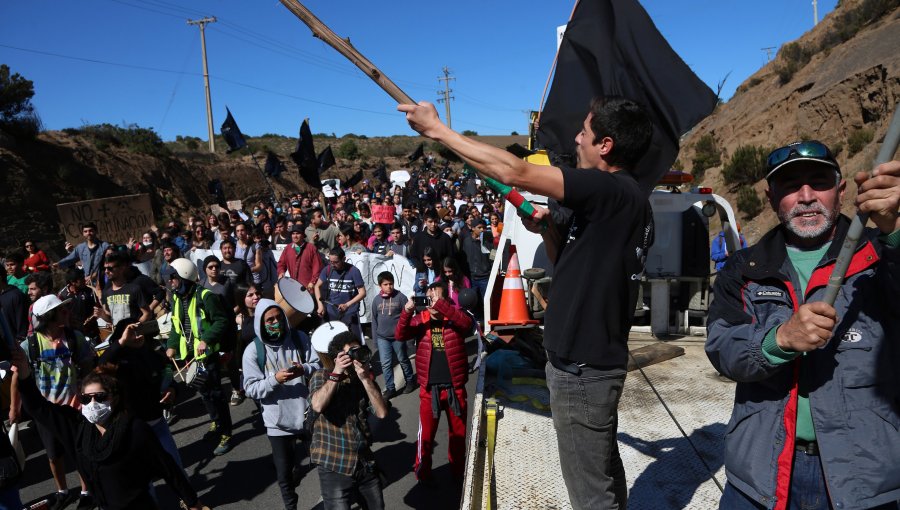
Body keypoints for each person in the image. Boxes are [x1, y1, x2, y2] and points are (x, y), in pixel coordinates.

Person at [400, 96, 654, 509]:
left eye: (584, 133)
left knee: (590, 496)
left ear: (605, 145)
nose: (576, 138)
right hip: (590, 369)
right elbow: (568, 263)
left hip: (582, 372)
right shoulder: (624, 202)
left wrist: (437, 131)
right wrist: (547, 230)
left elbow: (514, 170)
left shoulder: (608, 190)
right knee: (603, 477)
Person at [705, 141, 900, 509]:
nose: (806, 195)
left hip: (866, 481)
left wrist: (897, 231)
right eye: (791, 185)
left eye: (819, 182)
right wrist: (777, 341)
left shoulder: (883, 253)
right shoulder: (743, 269)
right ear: (771, 197)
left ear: (841, 191)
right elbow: (721, 348)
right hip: (759, 479)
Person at [11, 354, 206, 510]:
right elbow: (39, 408)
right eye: (86, 399)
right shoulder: (78, 428)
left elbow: (168, 468)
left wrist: (193, 503)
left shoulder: (135, 429)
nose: (93, 404)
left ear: (113, 398)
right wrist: (25, 375)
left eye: (100, 397)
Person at [242, 299, 321, 510]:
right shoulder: (252, 351)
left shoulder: (299, 338)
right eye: (270, 320)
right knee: (285, 474)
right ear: (260, 322)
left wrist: (303, 368)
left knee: (323, 462)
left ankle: (333, 499)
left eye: (278, 318)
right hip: (277, 423)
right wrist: (275, 379)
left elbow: (317, 365)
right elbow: (250, 389)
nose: (275, 322)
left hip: (307, 414)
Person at [20, 295, 97, 510]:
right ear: (48, 316)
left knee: (81, 452)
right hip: (46, 412)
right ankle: (62, 490)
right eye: (62, 311)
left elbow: (89, 367)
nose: (68, 313)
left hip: (76, 409)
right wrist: (15, 408)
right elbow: (19, 377)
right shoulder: (30, 345)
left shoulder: (75, 338)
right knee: (53, 456)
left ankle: (86, 491)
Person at [395, 281, 473, 482]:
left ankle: (457, 474)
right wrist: (406, 311)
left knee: (458, 436)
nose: (431, 302)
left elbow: (467, 325)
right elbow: (399, 334)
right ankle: (423, 473)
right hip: (429, 391)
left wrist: (443, 306)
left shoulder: (455, 318)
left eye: (435, 297)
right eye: (428, 298)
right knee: (426, 438)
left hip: (455, 389)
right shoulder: (421, 319)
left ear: (445, 299)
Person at [308, 332, 388, 510]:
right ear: (338, 357)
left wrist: (366, 379)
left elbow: (382, 413)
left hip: (363, 461)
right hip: (334, 462)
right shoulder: (322, 376)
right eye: (351, 352)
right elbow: (317, 405)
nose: (356, 355)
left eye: (358, 350)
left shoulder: (363, 378)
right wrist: (336, 373)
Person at [164, 258, 234, 456]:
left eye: (174, 278)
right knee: (204, 393)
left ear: (184, 277)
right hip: (190, 356)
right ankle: (216, 422)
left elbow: (221, 321)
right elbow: (176, 327)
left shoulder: (206, 296)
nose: (171, 282)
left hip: (207, 354)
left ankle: (226, 433)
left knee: (217, 395)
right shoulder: (177, 299)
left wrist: (206, 340)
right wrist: (171, 346)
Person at [99, 319, 182, 468]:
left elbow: (168, 377)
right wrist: (122, 341)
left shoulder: (152, 354)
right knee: (144, 478)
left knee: (175, 466)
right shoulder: (117, 360)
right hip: (133, 428)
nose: (138, 336)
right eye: (132, 332)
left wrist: (172, 390)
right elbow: (101, 366)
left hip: (158, 422)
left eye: (140, 331)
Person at [371, 272, 417, 400]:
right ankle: (390, 388)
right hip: (382, 338)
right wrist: (375, 340)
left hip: (399, 337)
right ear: (380, 285)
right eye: (385, 284)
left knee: (403, 359)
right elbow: (374, 320)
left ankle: (410, 381)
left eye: (391, 283)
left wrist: (408, 338)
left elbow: (408, 317)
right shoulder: (376, 300)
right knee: (386, 364)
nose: (389, 286)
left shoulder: (400, 297)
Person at [314, 248, 366, 341]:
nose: (333, 264)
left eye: (336, 262)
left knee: (354, 341)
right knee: (332, 342)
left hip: (349, 312)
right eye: (330, 261)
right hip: (331, 312)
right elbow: (317, 286)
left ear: (343, 259)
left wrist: (347, 305)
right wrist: (320, 305)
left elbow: (362, 293)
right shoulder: (328, 269)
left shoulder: (353, 271)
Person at [96, 251, 151, 328]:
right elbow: (113, 319)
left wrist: (134, 327)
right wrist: (102, 315)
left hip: (135, 336)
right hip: (119, 337)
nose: (106, 271)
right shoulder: (107, 292)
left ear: (121, 268)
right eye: (105, 268)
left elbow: (147, 313)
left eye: (110, 268)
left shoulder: (134, 289)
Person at [54, 222, 110, 287]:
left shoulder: (104, 246)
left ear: (96, 231)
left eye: (90, 231)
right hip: (88, 283)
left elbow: (110, 264)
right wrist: (59, 264)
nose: (88, 233)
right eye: (85, 231)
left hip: (104, 281)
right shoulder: (80, 248)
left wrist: (96, 274)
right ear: (83, 233)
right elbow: (70, 259)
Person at [277, 224, 323, 292]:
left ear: (303, 235)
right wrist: (281, 272)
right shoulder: (288, 248)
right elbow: (281, 264)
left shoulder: (311, 248)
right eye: (293, 234)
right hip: (294, 288)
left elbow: (317, 267)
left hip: (308, 289)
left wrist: (312, 282)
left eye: (298, 233)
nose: (295, 236)